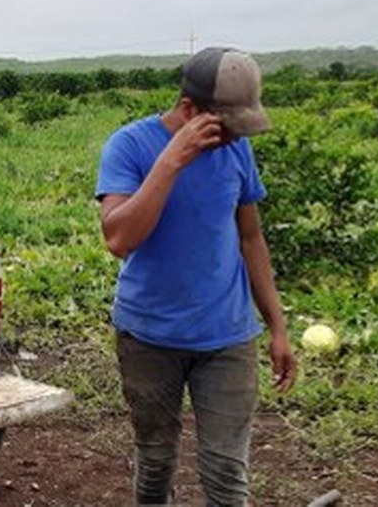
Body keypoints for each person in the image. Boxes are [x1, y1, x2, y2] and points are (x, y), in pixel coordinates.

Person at [94, 46, 297, 505]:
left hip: (227, 337)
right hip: (148, 336)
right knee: (156, 460)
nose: (232, 138)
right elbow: (120, 239)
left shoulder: (237, 150)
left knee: (227, 473)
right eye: (226, 126)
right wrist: (172, 160)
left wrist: (278, 327)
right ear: (189, 110)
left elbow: (250, 239)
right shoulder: (129, 145)